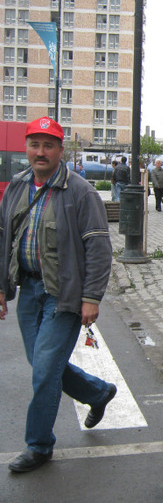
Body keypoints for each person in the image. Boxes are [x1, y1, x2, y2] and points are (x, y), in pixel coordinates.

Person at [0, 117, 116, 473]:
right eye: (35, 144)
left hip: (62, 294)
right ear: (27, 148)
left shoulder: (80, 191)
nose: (40, 152)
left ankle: (38, 445)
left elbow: (98, 247)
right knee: (44, 366)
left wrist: (91, 297)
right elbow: (4, 239)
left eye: (48, 145)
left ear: (60, 151)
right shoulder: (17, 186)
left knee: (45, 370)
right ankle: (98, 393)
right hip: (29, 289)